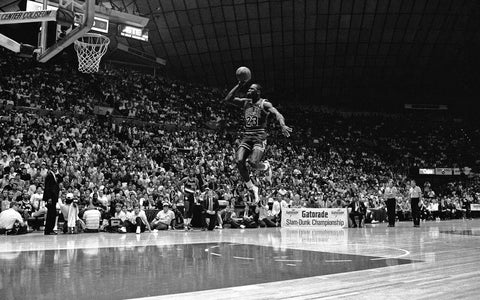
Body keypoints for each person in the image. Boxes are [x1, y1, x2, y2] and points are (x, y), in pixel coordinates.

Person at [225, 82, 292, 203]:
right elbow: (228, 99)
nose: (249, 90)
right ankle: (252, 187)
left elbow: (277, 113)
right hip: (247, 136)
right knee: (239, 161)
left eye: (252, 89)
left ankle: (266, 167)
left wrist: (282, 125)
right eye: (249, 88)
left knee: (253, 163)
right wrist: (240, 84)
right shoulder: (245, 102)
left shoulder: (264, 103)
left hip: (259, 136)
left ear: (258, 92)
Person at [43, 162, 61, 235]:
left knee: (52, 213)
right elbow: (48, 187)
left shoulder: (54, 175)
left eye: (56, 167)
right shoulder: (49, 175)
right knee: (51, 214)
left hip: (54, 197)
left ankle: (50, 229)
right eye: (54, 166)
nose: (55, 168)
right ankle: (48, 230)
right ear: (51, 167)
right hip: (51, 198)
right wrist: (49, 197)